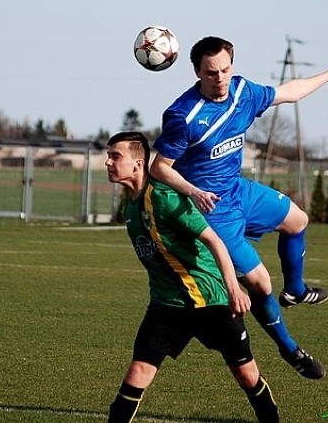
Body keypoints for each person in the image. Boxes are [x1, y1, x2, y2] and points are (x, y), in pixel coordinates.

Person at [150, 35, 328, 379]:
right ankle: (290, 350)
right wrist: (192, 191)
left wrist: (327, 75)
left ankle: (297, 290)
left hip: (240, 191)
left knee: (298, 220)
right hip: (214, 211)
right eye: (211, 72)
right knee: (260, 283)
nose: (220, 78)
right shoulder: (184, 115)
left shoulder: (243, 92)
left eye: (225, 69)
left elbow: (289, 92)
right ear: (197, 71)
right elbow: (159, 167)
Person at [105, 131, 280, 423]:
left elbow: (215, 241)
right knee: (137, 373)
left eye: (115, 156)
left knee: (246, 375)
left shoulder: (165, 198)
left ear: (138, 163)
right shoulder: (132, 207)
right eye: (108, 155)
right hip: (166, 306)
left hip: (210, 300)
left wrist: (234, 288)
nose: (108, 162)